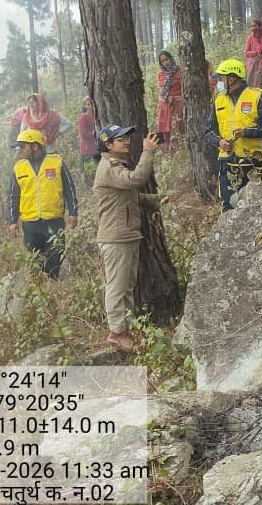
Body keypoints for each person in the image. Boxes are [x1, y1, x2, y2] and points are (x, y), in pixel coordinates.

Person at [92, 125, 160, 353]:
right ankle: (116, 332)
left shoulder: (115, 167)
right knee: (117, 287)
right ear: (108, 145)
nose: (126, 142)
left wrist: (154, 200)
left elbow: (128, 195)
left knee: (127, 285)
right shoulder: (110, 167)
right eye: (120, 139)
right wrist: (148, 152)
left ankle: (126, 329)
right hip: (116, 238)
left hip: (126, 235)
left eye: (126, 138)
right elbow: (136, 179)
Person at [7, 129, 79, 279]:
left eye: (23, 146)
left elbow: (69, 189)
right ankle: (43, 290)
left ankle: (53, 286)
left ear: (35, 146)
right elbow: (13, 196)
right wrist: (12, 221)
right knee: (35, 265)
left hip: (54, 223)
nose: (19, 150)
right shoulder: (19, 167)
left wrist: (73, 212)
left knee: (54, 262)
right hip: (30, 225)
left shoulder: (57, 162)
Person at [207, 59, 262, 210]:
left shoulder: (257, 96)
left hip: (252, 162)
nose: (219, 82)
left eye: (221, 78)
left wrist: (246, 132)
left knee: (255, 205)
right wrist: (220, 142)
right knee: (229, 204)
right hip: (228, 162)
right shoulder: (218, 101)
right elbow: (209, 131)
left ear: (232, 78)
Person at [9, 93, 73, 152]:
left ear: (40, 103)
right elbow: (22, 134)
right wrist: (19, 148)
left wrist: (58, 133)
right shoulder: (27, 117)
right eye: (29, 103)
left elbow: (69, 124)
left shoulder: (51, 115)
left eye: (33, 102)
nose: (31, 105)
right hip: (34, 152)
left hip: (49, 150)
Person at [155, 51, 185, 155]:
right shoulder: (161, 73)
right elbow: (161, 90)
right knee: (164, 128)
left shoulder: (179, 71)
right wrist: (163, 100)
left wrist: (176, 98)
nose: (165, 62)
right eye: (162, 61)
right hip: (164, 106)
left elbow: (184, 89)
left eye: (166, 59)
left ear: (171, 58)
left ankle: (178, 152)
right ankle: (167, 153)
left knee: (177, 127)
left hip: (177, 104)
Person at [244, 17, 262, 89]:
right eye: (252, 26)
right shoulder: (249, 38)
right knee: (250, 84)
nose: (253, 28)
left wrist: (256, 39)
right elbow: (246, 53)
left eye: (255, 26)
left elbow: (261, 50)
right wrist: (255, 53)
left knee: (260, 84)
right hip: (252, 65)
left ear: (260, 27)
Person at [77, 96, 99, 178]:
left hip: (96, 148)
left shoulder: (96, 116)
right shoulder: (83, 117)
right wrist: (94, 133)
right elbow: (83, 134)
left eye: (92, 103)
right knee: (89, 174)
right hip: (87, 149)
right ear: (85, 106)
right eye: (88, 104)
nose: (90, 106)